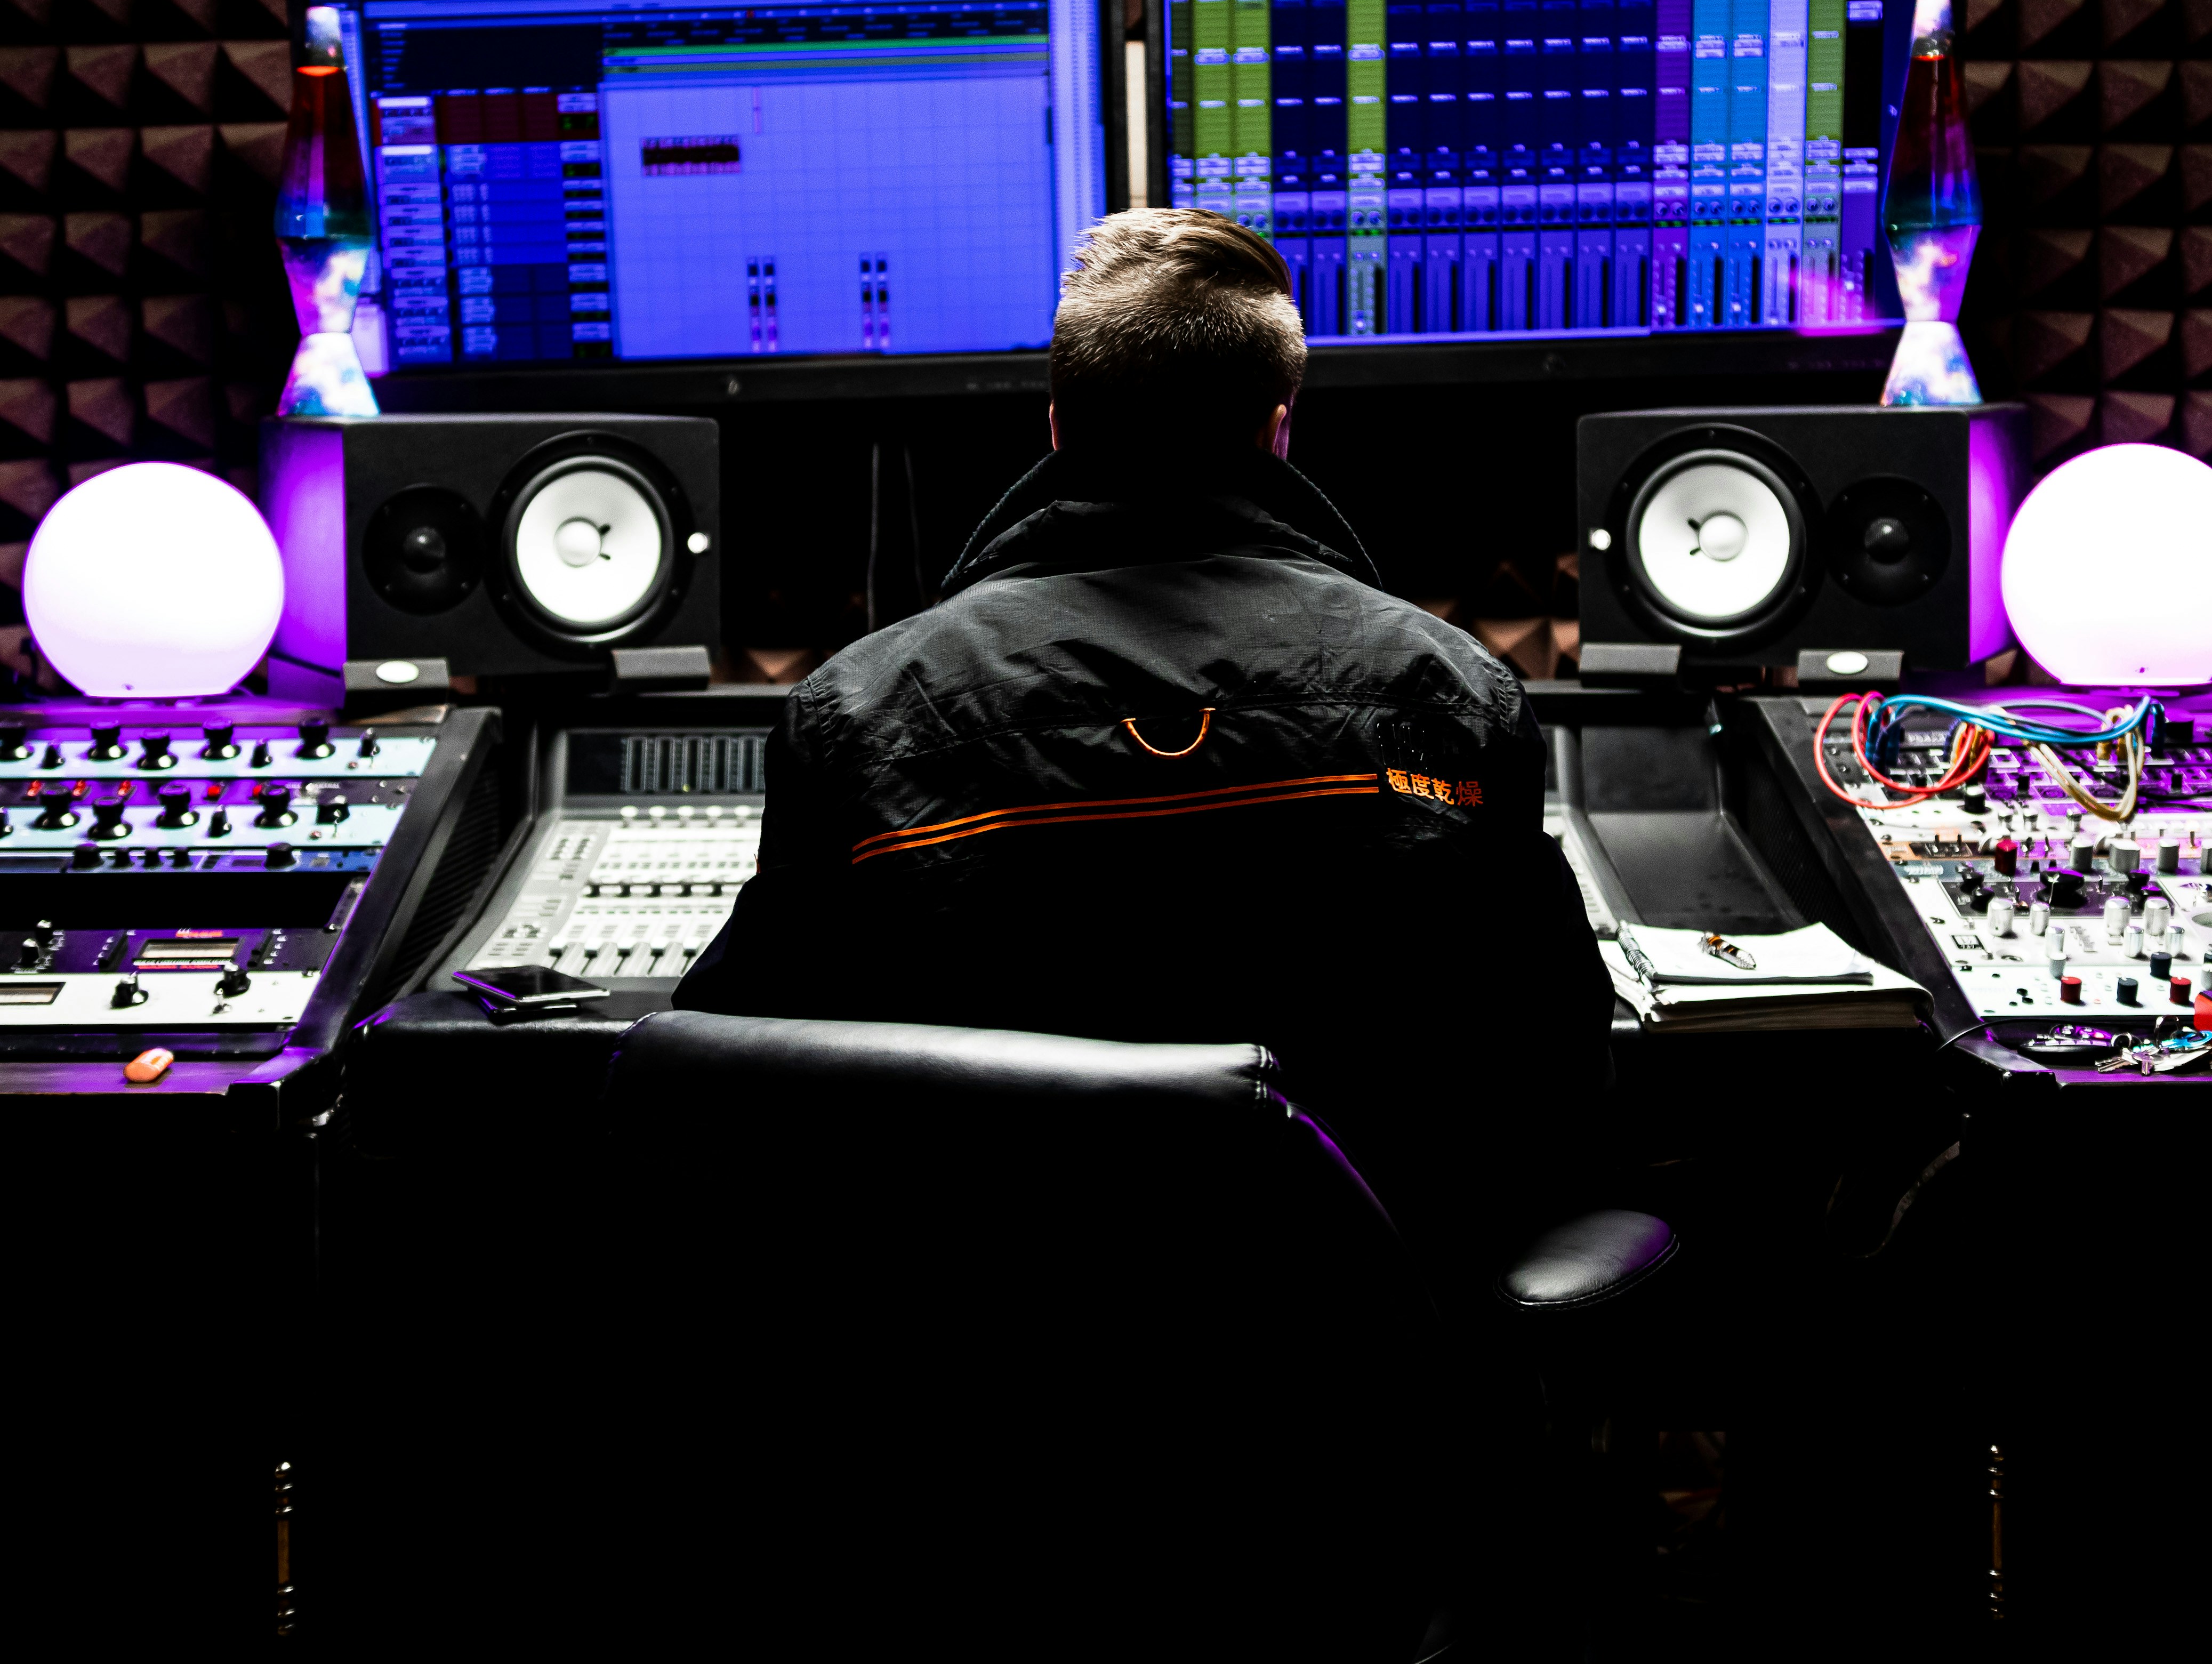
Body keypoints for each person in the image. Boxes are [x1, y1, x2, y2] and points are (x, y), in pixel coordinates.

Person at [678, 207, 1610, 1285]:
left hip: (980, 1342)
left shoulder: (858, 707)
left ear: (1057, 427)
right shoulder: (1451, 689)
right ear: (1278, 427)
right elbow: (1554, 1071)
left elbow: (740, 1062)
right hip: (1354, 1365)